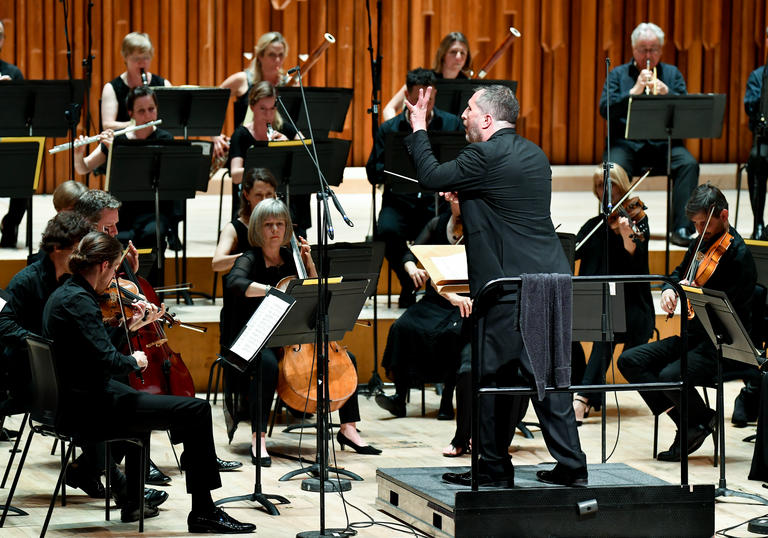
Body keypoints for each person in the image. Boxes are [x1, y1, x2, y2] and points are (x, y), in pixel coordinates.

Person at [404, 84, 587, 488]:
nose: (464, 116)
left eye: (469, 110)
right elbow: (505, 201)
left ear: (487, 118)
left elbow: (431, 175)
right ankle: (571, 465)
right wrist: (467, 189)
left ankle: (492, 467)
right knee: (549, 378)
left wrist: (420, 127)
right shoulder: (536, 155)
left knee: (493, 379)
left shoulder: (481, 155)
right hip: (552, 281)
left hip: (510, 288)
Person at [42, 231, 255, 532]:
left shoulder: (67, 293)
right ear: (103, 266)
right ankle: (204, 511)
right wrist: (136, 360)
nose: (116, 277)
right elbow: (110, 361)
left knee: (165, 407)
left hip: (77, 397)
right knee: (196, 410)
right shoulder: (80, 302)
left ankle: (132, 500)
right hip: (88, 408)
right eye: (115, 269)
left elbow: (93, 347)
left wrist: (132, 325)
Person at [223, 199, 380, 464]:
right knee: (268, 366)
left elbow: (317, 292)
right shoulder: (249, 258)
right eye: (268, 224)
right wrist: (270, 291)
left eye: (280, 224)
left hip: (294, 337)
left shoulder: (291, 259)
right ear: (258, 230)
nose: (275, 230)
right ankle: (258, 438)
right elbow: (235, 283)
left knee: (346, 360)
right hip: (261, 338)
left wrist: (308, 265)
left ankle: (348, 429)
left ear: (287, 229)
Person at [618, 184, 757, 461]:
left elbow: (730, 313)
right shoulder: (699, 242)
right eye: (695, 223)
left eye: (705, 223)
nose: (699, 229)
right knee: (630, 361)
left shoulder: (738, 257)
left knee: (669, 376)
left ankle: (693, 424)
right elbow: (677, 273)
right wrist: (671, 288)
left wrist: (696, 293)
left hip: (722, 346)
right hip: (692, 338)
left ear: (724, 215)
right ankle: (696, 420)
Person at [366, 67, 463, 308]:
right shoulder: (389, 129)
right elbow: (372, 171)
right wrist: (397, 170)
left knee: (445, 229)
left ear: (435, 95)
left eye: (427, 98)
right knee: (385, 230)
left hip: (435, 201)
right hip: (399, 201)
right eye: (416, 97)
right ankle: (408, 282)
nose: (422, 103)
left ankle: (436, 292)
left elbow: (462, 165)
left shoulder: (451, 124)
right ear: (407, 96)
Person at [599, 22, 699, 247]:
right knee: (612, 168)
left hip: (663, 145)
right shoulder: (618, 75)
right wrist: (632, 92)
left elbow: (686, 114)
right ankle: (613, 225)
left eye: (653, 49)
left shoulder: (672, 74)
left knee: (688, 163)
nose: (648, 54)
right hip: (626, 145)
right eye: (643, 49)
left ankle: (681, 228)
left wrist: (668, 93)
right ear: (634, 49)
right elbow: (604, 109)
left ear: (661, 50)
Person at [571, 164, 654, 423]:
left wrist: (626, 234)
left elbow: (634, 256)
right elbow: (572, 253)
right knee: (562, 325)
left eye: (611, 184)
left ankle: (581, 398)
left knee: (607, 324)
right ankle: (586, 390)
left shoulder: (636, 220)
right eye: (599, 185)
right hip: (597, 304)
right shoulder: (594, 226)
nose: (605, 190)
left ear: (623, 186)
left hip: (632, 308)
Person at [375, 198, 471, 422]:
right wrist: (410, 266)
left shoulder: (480, 229)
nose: (457, 203)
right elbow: (412, 253)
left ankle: (447, 399)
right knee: (402, 326)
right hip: (434, 300)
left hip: (463, 301)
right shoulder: (437, 224)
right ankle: (400, 397)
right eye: (455, 199)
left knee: (453, 335)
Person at [76, 86, 179, 285]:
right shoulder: (118, 139)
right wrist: (79, 153)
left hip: (153, 210)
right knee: (113, 234)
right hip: (121, 212)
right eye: (141, 111)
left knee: (154, 233)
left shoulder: (166, 139)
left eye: (151, 109)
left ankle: (152, 290)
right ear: (130, 113)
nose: (148, 115)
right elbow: (84, 167)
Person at [228, 81, 310, 235]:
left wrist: (287, 145)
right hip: (254, 200)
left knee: (302, 192)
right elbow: (236, 176)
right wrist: (266, 159)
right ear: (252, 107)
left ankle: (298, 235)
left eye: (272, 108)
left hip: (281, 196)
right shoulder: (241, 135)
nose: (268, 115)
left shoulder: (284, 127)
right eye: (263, 109)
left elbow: (306, 154)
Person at [213, 32, 289, 158]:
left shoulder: (288, 84)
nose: (277, 60)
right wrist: (215, 135)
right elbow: (212, 102)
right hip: (244, 151)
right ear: (260, 56)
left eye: (281, 55)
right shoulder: (242, 80)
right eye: (272, 55)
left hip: (280, 150)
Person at [382, 32, 472, 121]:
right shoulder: (424, 80)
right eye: (453, 52)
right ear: (443, 54)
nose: (458, 57)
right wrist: (396, 131)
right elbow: (389, 109)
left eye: (463, 53)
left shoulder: (468, 85)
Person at [101, 32, 171, 131]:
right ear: (125, 57)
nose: (141, 62)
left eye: (146, 58)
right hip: (124, 143)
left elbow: (172, 121)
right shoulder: (112, 88)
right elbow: (107, 125)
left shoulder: (163, 85)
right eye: (136, 58)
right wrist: (137, 123)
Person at [212, 167, 277, 273]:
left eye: (269, 194)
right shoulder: (233, 228)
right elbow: (217, 264)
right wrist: (249, 257)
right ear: (246, 195)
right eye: (258, 195)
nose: (264, 200)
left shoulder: (281, 224)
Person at [0, 19, 28, 249]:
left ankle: (10, 227)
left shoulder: (12, 72)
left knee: (26, 171)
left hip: (7, 141)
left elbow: (24, 114)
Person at [744, 26, 768, 240]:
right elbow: (750, 110)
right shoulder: (758, 76)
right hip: (765, 138)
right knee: (756, 159)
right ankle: (758, 222)